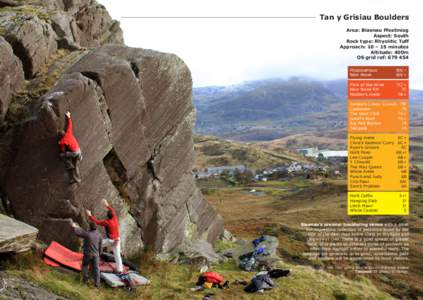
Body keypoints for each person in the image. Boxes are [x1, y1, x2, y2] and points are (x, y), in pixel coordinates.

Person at [87, 199, 123, 274]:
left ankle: (91, 259)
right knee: (117, 255)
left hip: (111, 240)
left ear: (107, 216)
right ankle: (120, 270)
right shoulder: (115, 218)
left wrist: (90, 215)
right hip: (117, 240)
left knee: (96, 245)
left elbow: (97, 222)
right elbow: (112, 210)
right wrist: (106, 204)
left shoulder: (107, 222)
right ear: (113, 215)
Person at [71, 221, 103, 288]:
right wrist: (99, 254)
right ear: (96, 228)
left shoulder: (88, 234)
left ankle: (85, 280)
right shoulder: (100, 235)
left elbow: (79, 233)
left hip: (88, 254)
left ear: (90, 227)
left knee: (85, 266)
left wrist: (74, 227)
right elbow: (100, 247)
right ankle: (97, 284)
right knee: (96, 269)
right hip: (96, 255)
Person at [58, 111, 82, 183]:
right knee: (76, 165)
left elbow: (62, 150)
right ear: (64, 132)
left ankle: (69, 165)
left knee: (61, 155)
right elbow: (70, 124)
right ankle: (78, 179)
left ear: (61, 136)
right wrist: (68, 116)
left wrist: (60, 143)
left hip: (74, 153)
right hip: (79, 151)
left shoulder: (62, 141)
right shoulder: (69, 132)